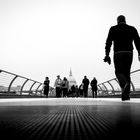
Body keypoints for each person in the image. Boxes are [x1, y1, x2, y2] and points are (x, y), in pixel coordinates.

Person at [104, 15, 140, 101]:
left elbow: (108, 42)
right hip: (129, 53)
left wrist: (107, 55)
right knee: (127, 73)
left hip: (118, 53)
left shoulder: (113, 29)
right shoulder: (132, 29)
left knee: (118, 72)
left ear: (117, 21)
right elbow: (138, 42)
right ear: (125, 20)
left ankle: (125, 85)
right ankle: (126, 96)